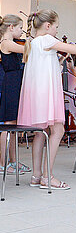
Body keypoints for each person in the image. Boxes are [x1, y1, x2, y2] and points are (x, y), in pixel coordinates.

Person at [17, 9, 76, 190]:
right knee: (58, 130)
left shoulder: (32, 43)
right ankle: (48, 176)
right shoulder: (48, 40)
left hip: (35, 94)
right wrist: (74, 47)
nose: (57, 31)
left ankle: (36, 175)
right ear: (48, 25)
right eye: (56, 27)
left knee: (40, 132)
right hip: (47, 93)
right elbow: (75, 49)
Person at [0, 15, 30, 175]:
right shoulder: (6, 43)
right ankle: (2, 164)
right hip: (10, 84)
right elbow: (27, 49)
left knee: (13, 126)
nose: (22, 31)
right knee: (7, 125)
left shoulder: (13, 43)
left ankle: (12, 161)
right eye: (20, 28)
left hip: (16, 83)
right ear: (11, 27)